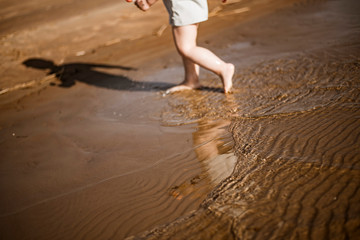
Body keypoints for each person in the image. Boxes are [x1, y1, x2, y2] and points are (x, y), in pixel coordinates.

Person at [129, 0, 235, 94]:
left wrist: (147, 2)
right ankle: (191, 79)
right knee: (189, 43)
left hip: (184, 6)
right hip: (190, 4)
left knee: (186, 48)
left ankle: (223, 68)